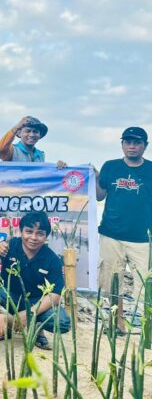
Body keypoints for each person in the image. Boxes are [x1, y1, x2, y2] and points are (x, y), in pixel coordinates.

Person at [95, 126, 152, 333]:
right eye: (128, 142)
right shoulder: (110, 167)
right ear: (122, 144)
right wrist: (91, 176)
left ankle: (147, 327)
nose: (132, 146)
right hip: (111, 234)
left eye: (137, 142)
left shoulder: (151, 169)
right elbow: (99, 195)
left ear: (145, 146)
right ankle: (116, 323)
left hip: (143, 238)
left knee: (146, 286)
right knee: (112, 282)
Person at [0, 211, 71, 349]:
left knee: (61, 322)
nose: (33, 237)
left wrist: (29, 313)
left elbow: (55, 295)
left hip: (36, 301)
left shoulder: (52, 259)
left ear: (46, 236)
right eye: (29, 231)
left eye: (39, 233)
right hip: (8, 295)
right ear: (20, 232)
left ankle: (37, 328)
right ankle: (5, 326)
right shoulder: (11, 246)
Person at [0, 116, 67, 168]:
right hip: (13, 188)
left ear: (40, 135)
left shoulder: (40, 155)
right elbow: (0, 150)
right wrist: (16, 127)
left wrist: (58, 168)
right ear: (19, 133)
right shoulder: (12, 150)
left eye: (35, 132)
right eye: (28, 131)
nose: (32, 135)